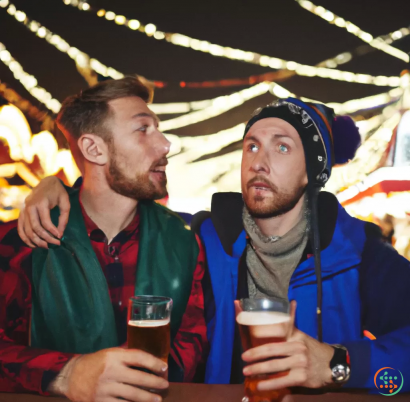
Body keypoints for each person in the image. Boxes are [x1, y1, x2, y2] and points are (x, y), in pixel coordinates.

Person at [18, 98, 410, 393]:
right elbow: (115, 212)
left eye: (283, 147)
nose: (259, 162)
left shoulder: (358, 252)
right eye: (252, 146)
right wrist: (55, 188)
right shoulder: (202, 239)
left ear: (313, 173)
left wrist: (341, 364)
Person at [0, 77, 207, 401]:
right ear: (93, 148)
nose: (166, 144)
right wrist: (67, 374)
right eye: (143, 129)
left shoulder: (186, 243)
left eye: (158, 128)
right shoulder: (19, 241)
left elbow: (192, 340)